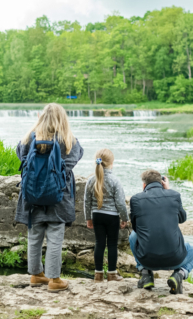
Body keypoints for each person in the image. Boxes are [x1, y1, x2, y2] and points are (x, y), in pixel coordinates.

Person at [14, 103, 83, 292]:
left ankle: (36, 275)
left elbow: (20, 155)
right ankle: (54, 279)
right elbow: (73, 161)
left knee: (34, 236)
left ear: (41, 117)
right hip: (58, 197)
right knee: (55, 238)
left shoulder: (29, 138)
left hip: (32, 196)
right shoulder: (68, 140)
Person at [129, 169, 193, 295]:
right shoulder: (174, 195)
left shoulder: (135, 199)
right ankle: (179, 274)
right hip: (175, 259)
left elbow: (136, 228)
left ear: (144, 185)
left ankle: (146, 274)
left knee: (133, 236)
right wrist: (167, 191)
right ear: (162, 183)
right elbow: (182, 219)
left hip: (147, 260)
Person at [84, 148, 129, 282]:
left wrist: (88, 218)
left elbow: (87, 201)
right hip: (112, 217)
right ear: (111, 163)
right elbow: (120, 203)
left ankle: (98, 274)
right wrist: (124, 218)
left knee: (99, 243)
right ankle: (112, 274)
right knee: (112, 245)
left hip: (97, 215)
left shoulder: (91, 180)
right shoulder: (115, 181)